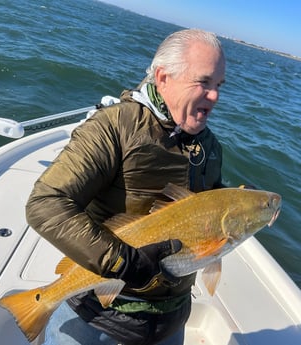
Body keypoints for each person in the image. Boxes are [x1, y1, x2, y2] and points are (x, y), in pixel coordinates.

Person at [26, 28, 226, 345]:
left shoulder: (210, 147)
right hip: (97, 318)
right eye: (204, 82)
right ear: (163, 78)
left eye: (218, 85)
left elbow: (208, 205)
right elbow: (46, 203)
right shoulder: (115, 126)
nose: (215, 96)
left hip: (171, 320)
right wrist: (123, 262)